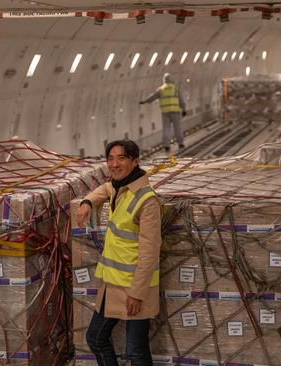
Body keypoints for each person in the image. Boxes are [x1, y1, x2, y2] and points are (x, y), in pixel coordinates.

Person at [77, 139, 162, 366]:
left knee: (136, 351)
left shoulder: (146, 199)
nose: (114, 164)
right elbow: (104, 188)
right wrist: (87, 202)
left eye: (121, 158)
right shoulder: (118, 187)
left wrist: (137, 292)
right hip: (112, 284)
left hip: (134, 287)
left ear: (135, 161)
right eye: (110, 159)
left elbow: (150, 253)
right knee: (95, 337)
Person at [139, 73, 187, 154]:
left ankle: (167, 146)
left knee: (166, 129)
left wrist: (144, 101)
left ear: (164, 80)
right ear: (171, 79)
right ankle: (181, 144)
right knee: (177, 128)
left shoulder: (161, 89)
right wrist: (184, 110)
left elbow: (153, 97)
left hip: (165, 113)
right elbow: (181, 100)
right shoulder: (175, 88)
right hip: (175, 111)